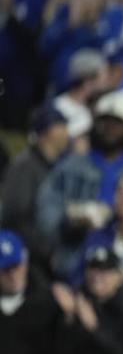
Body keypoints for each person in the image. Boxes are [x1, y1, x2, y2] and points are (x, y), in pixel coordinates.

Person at [36, 93, 123, 279]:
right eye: (105, 122)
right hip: (74, 258)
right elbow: (46, 217)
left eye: (117, 123)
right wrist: (70, 224)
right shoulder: (71, 168)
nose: (110, 129)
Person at [0, 106, 71, 268]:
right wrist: (46, 250)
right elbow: (16, 217)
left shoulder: (58, 166)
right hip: (27, 259)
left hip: (48, 252)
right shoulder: (24, 167)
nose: (67, 132)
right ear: (48, 131)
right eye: (62, 125)